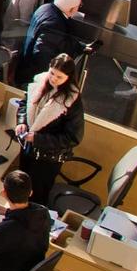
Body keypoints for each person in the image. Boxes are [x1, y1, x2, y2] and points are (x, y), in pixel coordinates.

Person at [16, 55, 86, 204]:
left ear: (69, 77)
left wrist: (37, 139)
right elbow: (24, 104)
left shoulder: (72, 101)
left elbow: (73, 138)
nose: (53, 79)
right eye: (52, 73)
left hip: (47, 159)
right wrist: (21, 122)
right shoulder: (39, 82)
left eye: (59, 77)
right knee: (20, 191)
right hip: (28, 150)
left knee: (36, 197)